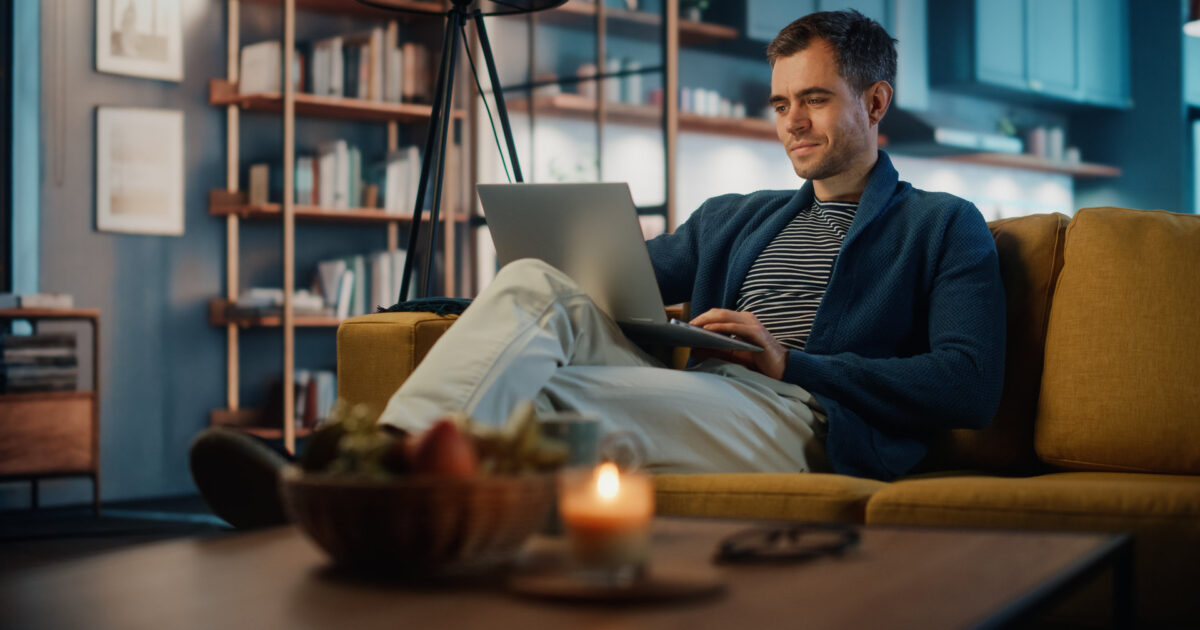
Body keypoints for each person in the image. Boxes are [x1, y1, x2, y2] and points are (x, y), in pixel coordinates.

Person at [191, 9, 1005, 528]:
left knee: (536, 399)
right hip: (707, 392)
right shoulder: (737, 216)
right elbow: (597, 282)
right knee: (539, 281)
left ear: (874, 102)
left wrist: (793, 360)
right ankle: (363, 486)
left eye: (816, 99)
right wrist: (464, 310)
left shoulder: (940, 224)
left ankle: (340, 488)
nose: (792, 122)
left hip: (806, 418)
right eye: (781, 103)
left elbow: (968, 383)